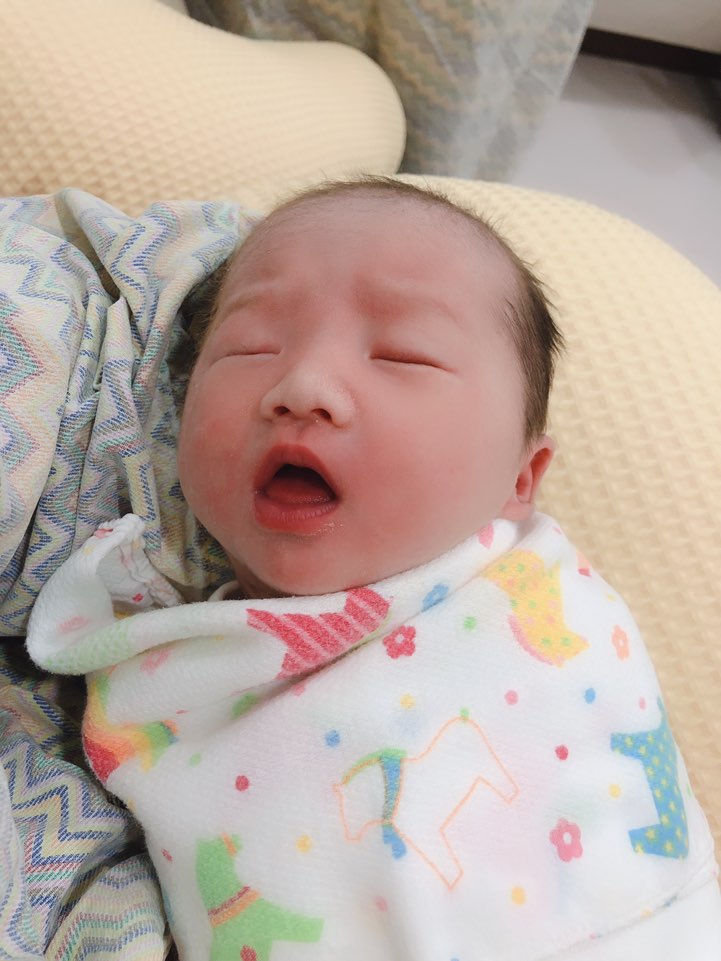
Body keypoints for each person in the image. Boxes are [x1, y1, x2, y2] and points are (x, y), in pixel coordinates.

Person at [27, 179, 721, 960]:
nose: (303, 387)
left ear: (520, 477)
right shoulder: (166, 654)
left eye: (402, 354)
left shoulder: (531, 599)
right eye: (252, 344)